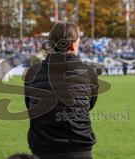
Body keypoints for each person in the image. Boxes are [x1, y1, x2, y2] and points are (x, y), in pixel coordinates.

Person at [24, 22, 99, 159]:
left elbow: (30, 107)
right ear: (72, 44)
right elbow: (89, 105)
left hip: (42, 148)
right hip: (78, 148)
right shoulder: (89, 72)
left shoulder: (33, 72)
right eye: (78, 41)